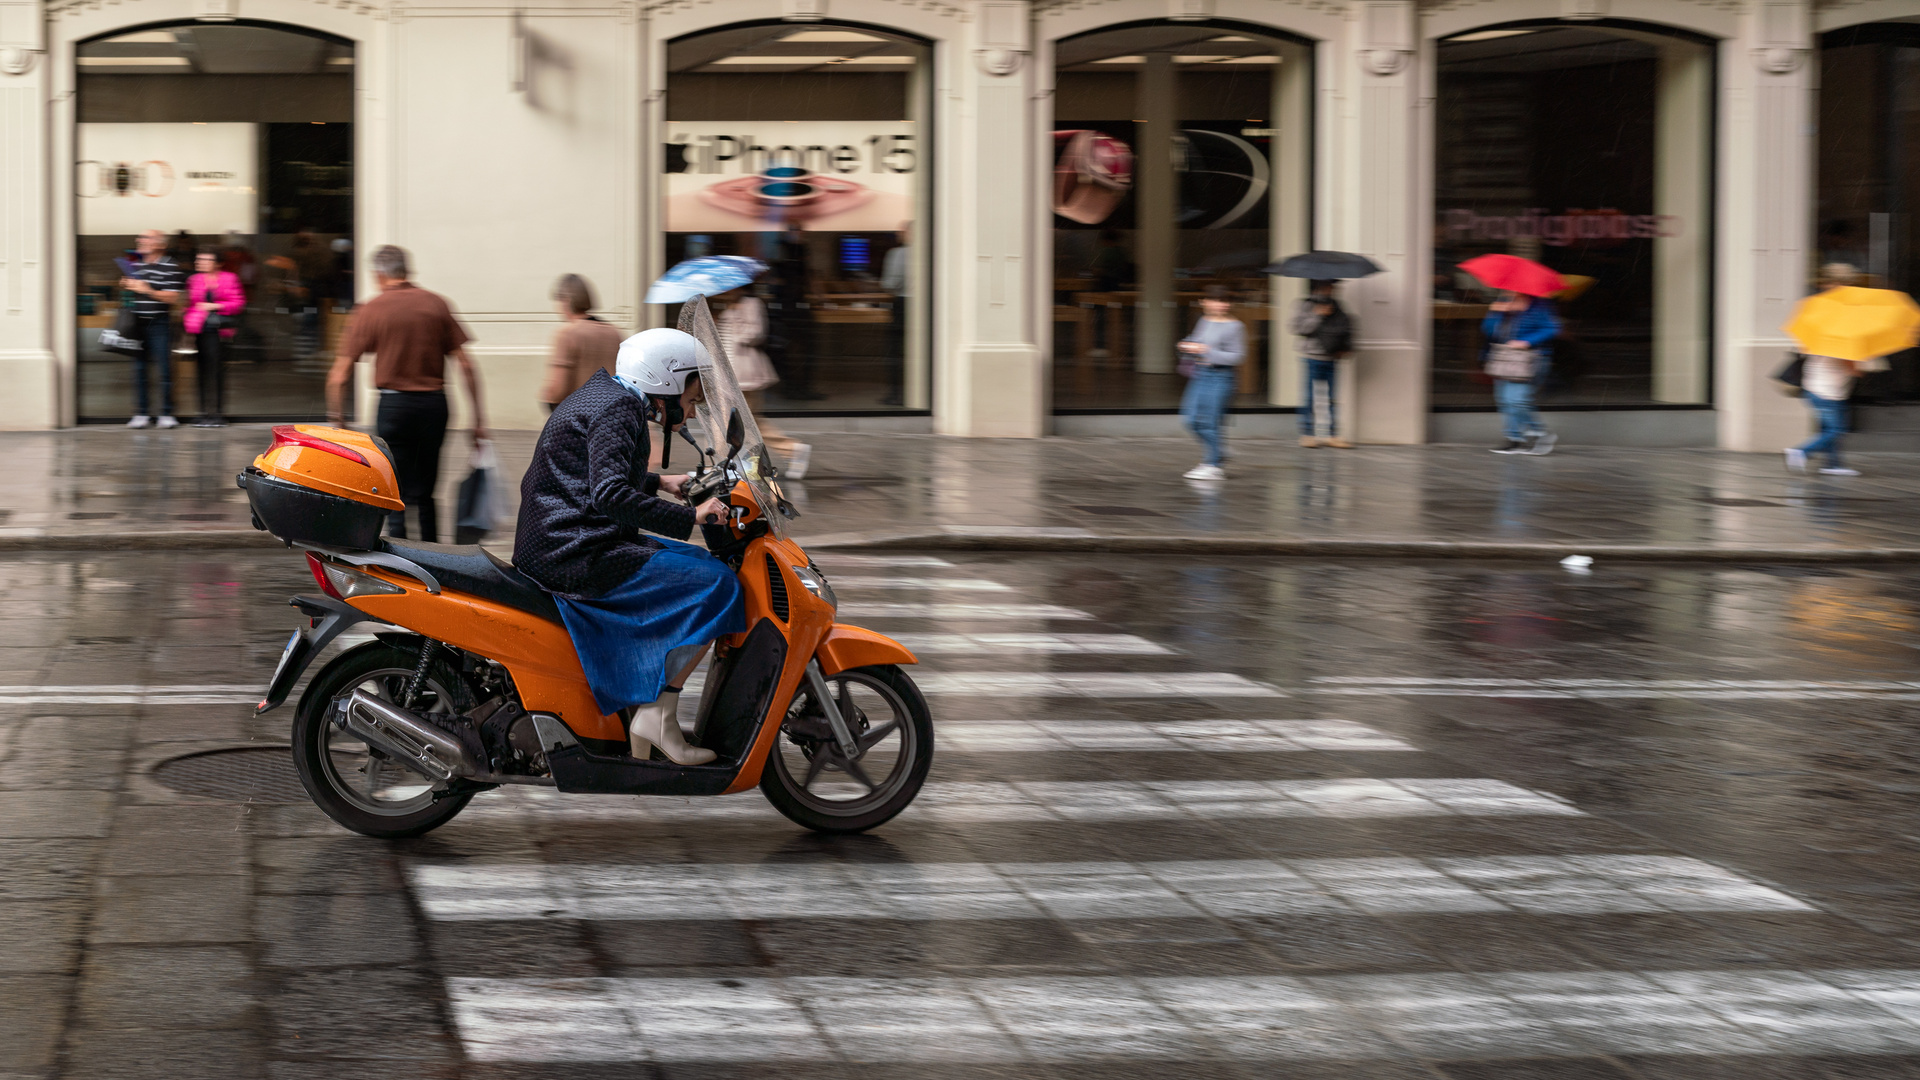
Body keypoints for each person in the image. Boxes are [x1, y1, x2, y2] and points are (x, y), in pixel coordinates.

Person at [512, 329, 743, 765]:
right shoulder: (619, 409)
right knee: (718, 584)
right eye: (691, 401)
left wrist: (659, 482)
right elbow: (608, 495)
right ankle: (657, 716)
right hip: (573, 549)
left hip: (565, 536)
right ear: (666, 384)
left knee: (693, 563)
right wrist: (690, 517)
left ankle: (650, 704)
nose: (692, 413)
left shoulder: (610, 396)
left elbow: (589, 472)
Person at [327, 245, 489, 542]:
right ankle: (433, 556)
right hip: (434, 405)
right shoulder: (437, 304)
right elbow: (466, 365)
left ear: (378, 274)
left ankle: (400, 558)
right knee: (427, 491)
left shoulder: (370, 309)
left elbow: (339, 374)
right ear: (406, 270)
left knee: (394, 487)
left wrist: (338, 423)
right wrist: (479, 419)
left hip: (393, 407)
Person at [718, 284, 811, 479]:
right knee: (745, 423)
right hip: (730, 374)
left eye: (729, 289)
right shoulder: (728, 307)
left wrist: (735, 320)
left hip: (746, 376)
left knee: (744, 424)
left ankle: (790, 450)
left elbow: (755, 334)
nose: (725, 292)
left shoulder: (751, 304)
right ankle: (788, 451)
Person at [1787, 264, 1870, 477]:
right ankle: (1800, 452)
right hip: (1826, 389)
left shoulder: (1821, 314)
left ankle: (1834, 464)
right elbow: (1846, 360)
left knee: (1828, 429)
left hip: (1819, 386)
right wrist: (1857, 368)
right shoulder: (1839, 320)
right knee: (1837, 430)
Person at [1177, 286, 1245, 481]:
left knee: (1210, 422)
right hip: (1200, 375)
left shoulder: (1235, 326)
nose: (1222, 305)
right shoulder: (1204, 320)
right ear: (1203, 301)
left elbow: (1237, 356)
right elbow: (1197, 341)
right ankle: (1219, 450)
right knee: (1190, 419)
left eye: (1225, 301)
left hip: (1220, 377)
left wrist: (1206, 351)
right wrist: (1186, 344)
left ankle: (1213, 464)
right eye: (1216, 300)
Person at [120, 229, 185, 429]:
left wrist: (147, 289)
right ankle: (141, 413)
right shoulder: (134, 264)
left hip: (160, 323)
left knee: (164, 369)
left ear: (159, 244)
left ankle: (166, 413)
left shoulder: (170, 266)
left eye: (146, 237)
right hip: (136, 322)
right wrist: (125, 284)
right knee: (139, 369)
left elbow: (173, 297)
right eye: (139, 237)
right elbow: (127, 288)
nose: (140, 240)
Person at [1482, 292, 1561, 455]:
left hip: (1531, 359)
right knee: (1504, 400)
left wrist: (1527, 341)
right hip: (1505, 357)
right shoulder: (1503, 301)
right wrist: (1497, 312)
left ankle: (1541, 433)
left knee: (1516, 400)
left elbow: (1552, 328)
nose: (1507, 290)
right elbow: (1489, 331)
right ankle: (1515, 439)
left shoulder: (1539, 305)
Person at [539, 273, 621, 412]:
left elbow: (557, 390)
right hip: (612, 418)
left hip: (580, 420)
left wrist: (547, 395)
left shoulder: (567, 334)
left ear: (566, 300)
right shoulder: (614, 332)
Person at [1288, 279, 1354, 449]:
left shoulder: (1337, 305)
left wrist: (1345, 347)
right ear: (1320, 286)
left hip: (1332, 357)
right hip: (1312, 357)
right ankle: (1307, 434)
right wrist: (1317, 315)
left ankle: (1332, 434)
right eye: (1330, 286)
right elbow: (1297, 329)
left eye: (1334, 287)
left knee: (1332, 398)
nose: (1332, 290)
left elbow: (1344, 328)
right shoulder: (1305, 304)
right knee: (1310, 397)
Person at [183, 250, 245, 427]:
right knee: (200, 372)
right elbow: (189, 304)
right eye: (198, 258)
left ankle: (217, 414)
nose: (199, 261)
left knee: (217, 371)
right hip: (199, 329)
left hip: (219, 331)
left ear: (218, 263)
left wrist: (215, 305)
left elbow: (238, 303)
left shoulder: (229, 278)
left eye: (205, 259)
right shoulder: (194, 280)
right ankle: (203, 413)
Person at [880, 222, 911, 406]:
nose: (898, 233)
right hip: (922, 305)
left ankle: (896, 394)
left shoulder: (898, 254)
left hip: (902, 304)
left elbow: (891, 284)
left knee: (895, 352)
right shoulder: (931, 251)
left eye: (902, 230)